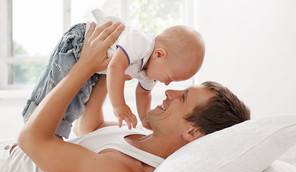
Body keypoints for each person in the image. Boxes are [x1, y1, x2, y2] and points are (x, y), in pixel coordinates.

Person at [0, 22, 250, 172]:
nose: (167, 92)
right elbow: (90, 127)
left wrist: (83, 68)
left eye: (182, 98)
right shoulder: (138, 139)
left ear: (192, 131)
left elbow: (31, 140)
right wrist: (116, 64)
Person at [22, 9, 205, 138]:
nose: (166, 84)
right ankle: (34, 117)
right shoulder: (140, 43)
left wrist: (144, 118)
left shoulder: (150, 72)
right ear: (159, 54)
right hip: (81, 42)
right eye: (170, 78)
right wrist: (120, 107)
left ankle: (50, 133)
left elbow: (143, 93)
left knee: (75, 103)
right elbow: (115, 67)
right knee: (56, 85)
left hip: (95, 66)